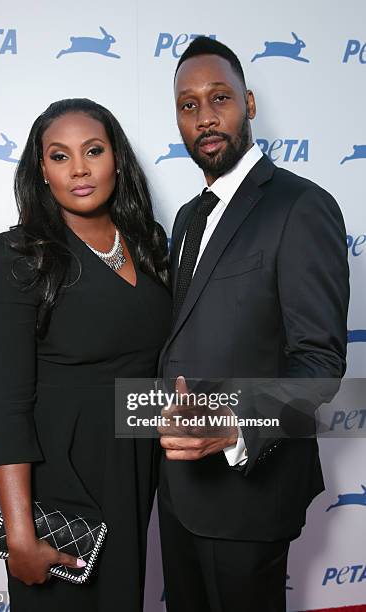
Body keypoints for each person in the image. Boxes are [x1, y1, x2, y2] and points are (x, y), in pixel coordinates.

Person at [157, 37, 349, 612]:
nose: (205, 116)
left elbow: (319, 364)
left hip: (250, 494)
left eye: (220, 97)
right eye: (188, 105)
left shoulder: (301, 206)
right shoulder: (190, 218)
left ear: (250, 103)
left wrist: (237, 426)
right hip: (179, 491)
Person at [0, 98, 171, 611]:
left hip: (133, 470)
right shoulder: (22, 255)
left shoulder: (150, 244)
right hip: (57, 486)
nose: (80, 169)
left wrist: (261, 411)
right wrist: (19, 530)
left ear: (117, 158)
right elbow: (10, 408)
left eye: (93, 150)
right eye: (59, 156)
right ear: (41, 170)